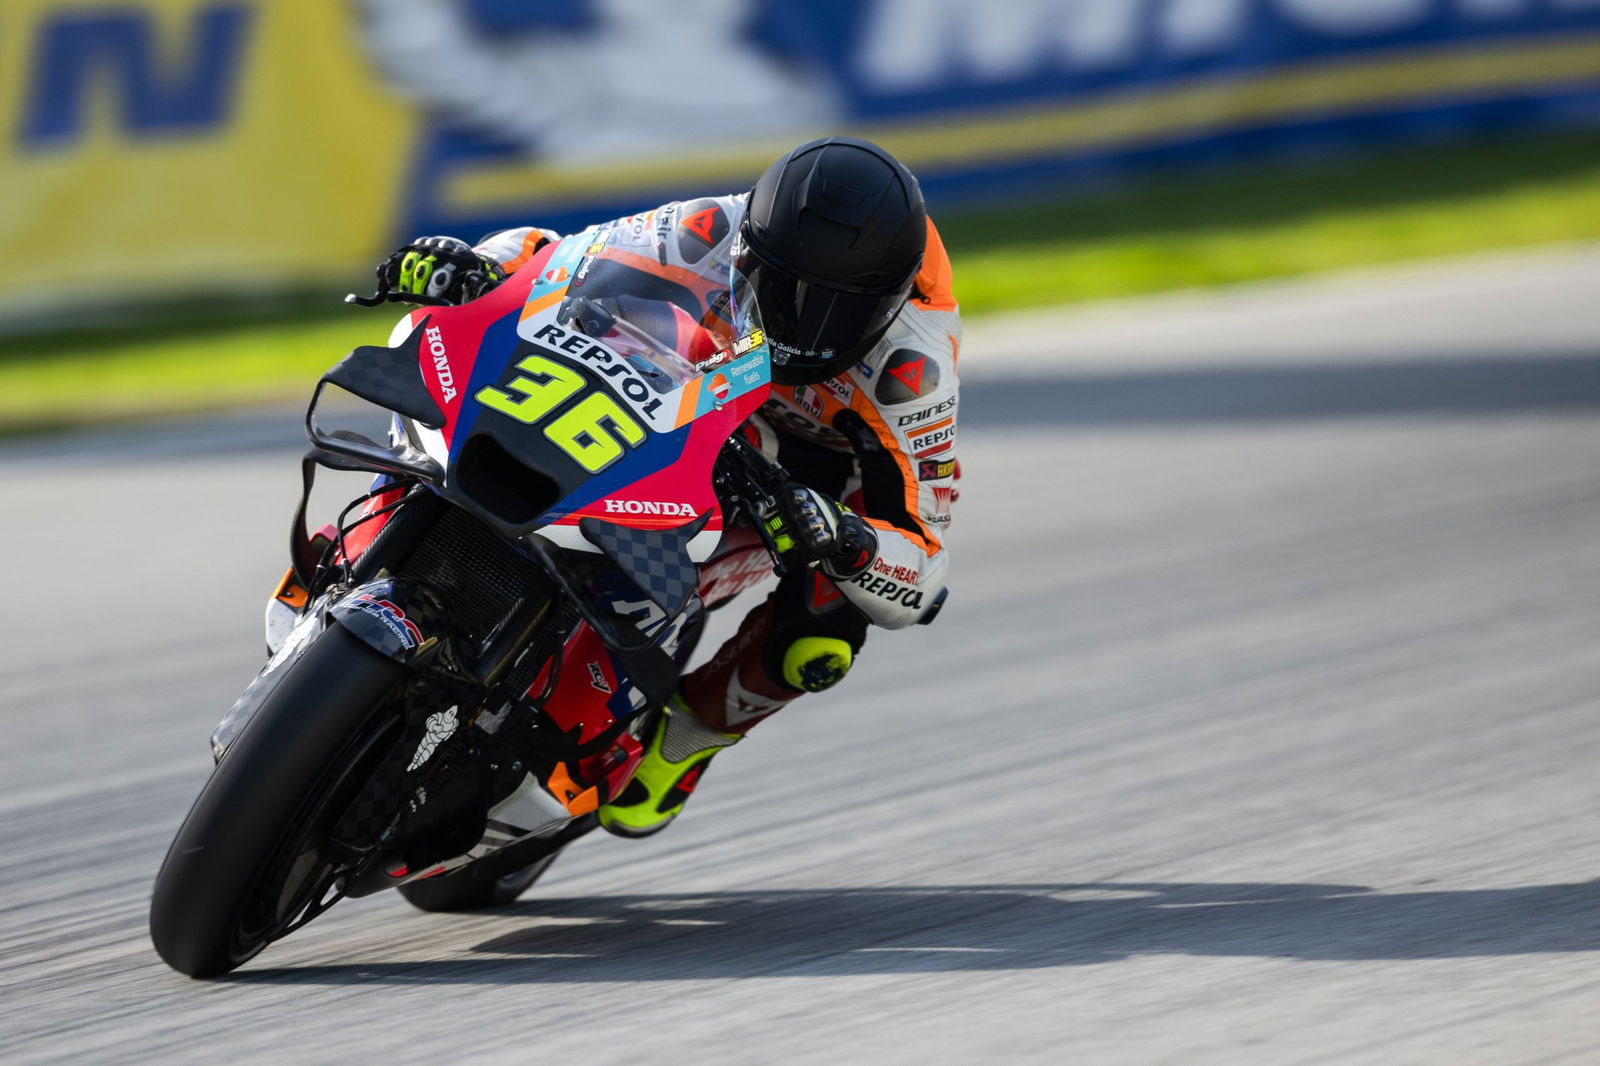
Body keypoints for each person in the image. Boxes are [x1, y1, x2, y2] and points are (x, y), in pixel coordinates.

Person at [377, 137, 960, 838]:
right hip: (688, 388)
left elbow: (923, 569)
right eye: (789, 292)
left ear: (891, 304)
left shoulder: (912, 369)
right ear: (752, 248)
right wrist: (474, 266)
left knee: (821, 640)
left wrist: (846, 536)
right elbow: (550, 256)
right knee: (468, 379)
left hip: (811, 473)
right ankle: (371, 553)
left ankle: (685, 739)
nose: (808, 325)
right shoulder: (713, 229)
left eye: (839, 310)